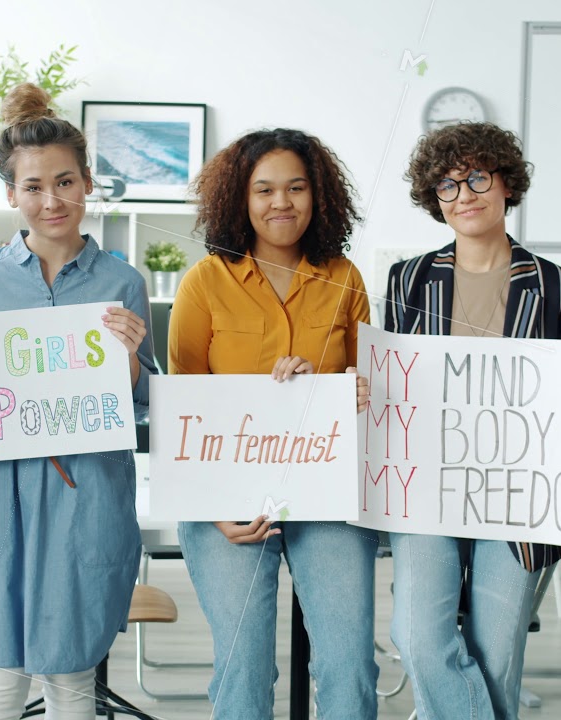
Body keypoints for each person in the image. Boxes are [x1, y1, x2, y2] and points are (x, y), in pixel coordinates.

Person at [0, 83, 157, 720]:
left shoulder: (122, 282)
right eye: (33, 187)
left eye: (65, 182)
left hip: (88, 492)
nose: (51, 200)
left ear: (86, 185)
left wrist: (131, 351)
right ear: (11, 196)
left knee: (72, 672)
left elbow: (134, 397)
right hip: (0, 492)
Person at [169, 127, 379, 719]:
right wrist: (214, 509)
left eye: (295, 187)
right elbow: (183, 407)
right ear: (240, 198)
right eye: (264, 190)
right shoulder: (205, 282)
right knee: (244, 669)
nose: (280, 202)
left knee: (348, 664)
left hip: (328, 498)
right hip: (227, 502)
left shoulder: (345, 279)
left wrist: (345, 391)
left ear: (318, 196)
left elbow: (370, 392)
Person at [384, 121, 561, 719]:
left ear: (505, 184)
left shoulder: (556, 287)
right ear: (433, 199)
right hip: (427, 488)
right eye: (447, 185)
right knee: (418, 638)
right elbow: (395, 384)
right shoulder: (408, 279)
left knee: (496, 659)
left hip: (520, 495)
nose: (463, 194)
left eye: (476, 177)